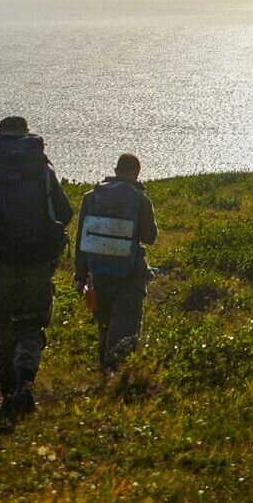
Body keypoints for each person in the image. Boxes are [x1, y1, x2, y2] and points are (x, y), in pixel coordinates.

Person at [0, 116, 73, 418]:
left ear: (0, 135)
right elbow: (65, 212)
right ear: (27, 134)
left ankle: (6, 394)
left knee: (2, 326)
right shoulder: (43, 169)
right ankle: (25, 385)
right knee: (31, 324)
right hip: (37, 260)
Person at [73, 153, 158, 372]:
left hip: (98, 274)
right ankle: (117, 377)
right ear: (137, 173)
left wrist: (80, 275)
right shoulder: (140, 199)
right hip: (130, 276)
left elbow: (82, 239)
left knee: (104, 325)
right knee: (126, 326)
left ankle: (104, 372)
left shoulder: (90, 197)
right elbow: (150, 237)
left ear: (116, 169)